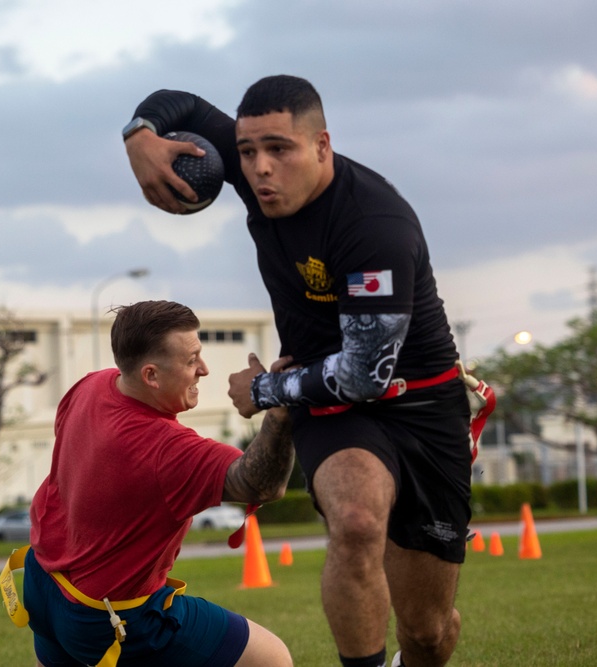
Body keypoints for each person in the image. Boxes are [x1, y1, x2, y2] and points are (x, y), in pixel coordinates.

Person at [124, 76, 473, 667]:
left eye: (279, 149)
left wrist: (262, 390)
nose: (260, 168)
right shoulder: (250, 161)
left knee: (428, 631)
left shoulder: (374, 226)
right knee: (357, 522)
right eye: (248, 150)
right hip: (329, 402)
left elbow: (365, 372)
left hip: (420, 404)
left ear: (321, 146)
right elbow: (175, 104)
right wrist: (140, 137)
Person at [20, 300, 296, 667]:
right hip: (105, 618)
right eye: (191, 359)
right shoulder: (166, 451)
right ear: (151, 375)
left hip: (42, 584)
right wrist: (281, 405)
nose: (204, 369)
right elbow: (262, 484)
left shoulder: (90, 385)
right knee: (272, 659)